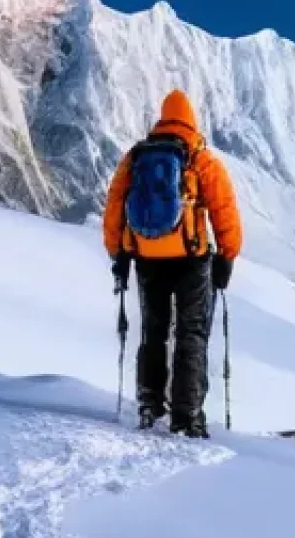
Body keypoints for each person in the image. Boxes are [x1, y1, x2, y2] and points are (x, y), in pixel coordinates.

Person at [103, 90, 242, 437]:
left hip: (147, 257)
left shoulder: (137, 157)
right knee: (191, 333)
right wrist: (227, 256)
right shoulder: (200, 159)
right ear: (191, 121)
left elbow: (115, 204)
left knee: (153, 331)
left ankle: (149, 403)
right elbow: (224, 209)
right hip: (192, 259)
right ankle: (187, 414)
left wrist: (118, 254)